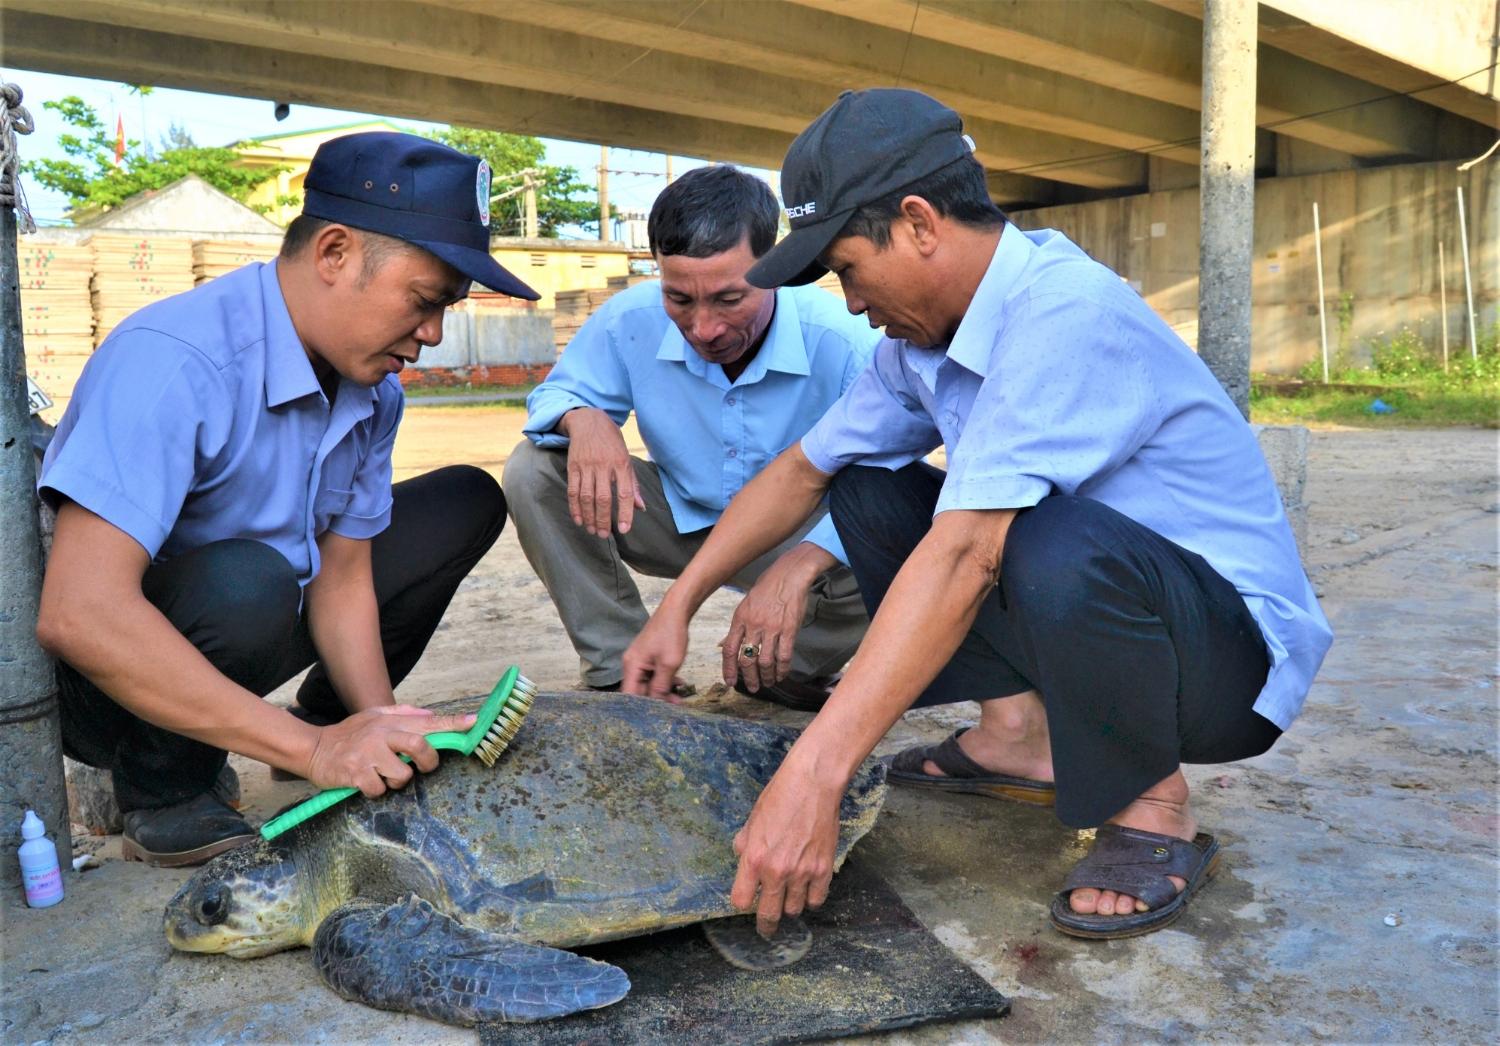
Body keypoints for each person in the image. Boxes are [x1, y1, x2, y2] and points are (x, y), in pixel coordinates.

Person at [623, 89, 1333, 939]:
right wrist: (677, 606)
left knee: (1042, 534)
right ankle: (1019, 737)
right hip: (1121, 626)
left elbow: (966, 553)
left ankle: (1153, 805)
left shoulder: (1064, 313)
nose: (848, 301)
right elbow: (803, 469)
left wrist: (814, 777)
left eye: (848, 267)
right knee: (867, 485)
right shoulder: (919, 345)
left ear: (919, 223)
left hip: (1226, 670)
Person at [35, 132, 539, 867]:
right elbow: (78, 614)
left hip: (247, 629)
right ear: (333, 253)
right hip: (110, 680)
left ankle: (325, 716)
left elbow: (342, 577)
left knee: (463, 501)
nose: (431, 335)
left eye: (447, 311)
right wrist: (315, 753)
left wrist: (373, 728)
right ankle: (162, 789)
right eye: (424, 302)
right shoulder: (176, 361)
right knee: (252, 579)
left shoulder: (371, 392)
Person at [504, 165, 879, 709]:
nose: (704, 328)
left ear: (777, 268)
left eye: (729, 300)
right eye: (680, 299)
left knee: (902, 532)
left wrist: (800, 566)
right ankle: (623, 666)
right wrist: (582, 419)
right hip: (679, 522)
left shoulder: (846, 342)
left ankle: (781, 671)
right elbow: (553, 397)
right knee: (535, 467)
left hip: (797, 546)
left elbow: (884, 483)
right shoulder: (628, 318)